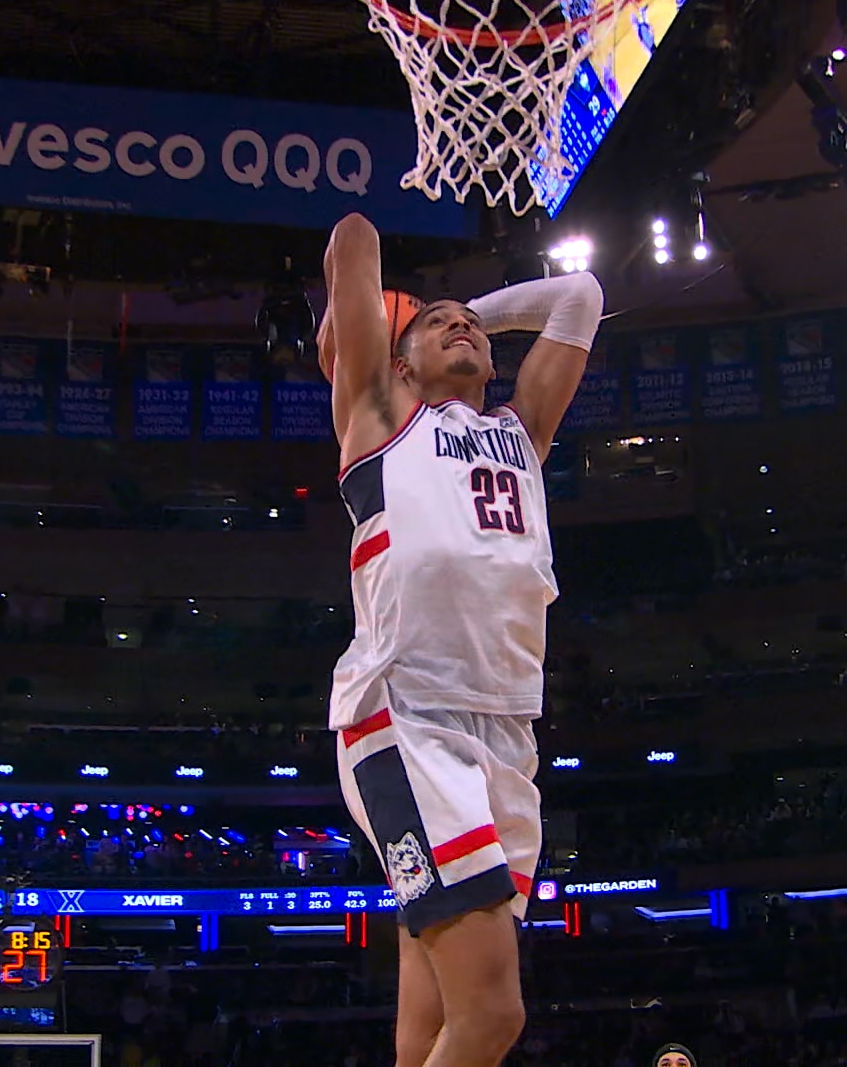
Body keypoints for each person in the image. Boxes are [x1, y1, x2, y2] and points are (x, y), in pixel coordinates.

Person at [316, 211, 603, 1067]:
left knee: (430, 1032)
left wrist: (464, 307)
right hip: (407, 720)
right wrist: (397, 321)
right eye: (439, 324)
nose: (463, 326)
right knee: (493, 1018)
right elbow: (357, 238)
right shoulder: (376, 419)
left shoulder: (520, 434)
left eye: (472, 325)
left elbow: (579, 295)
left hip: (505, 737)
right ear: (398, 361)